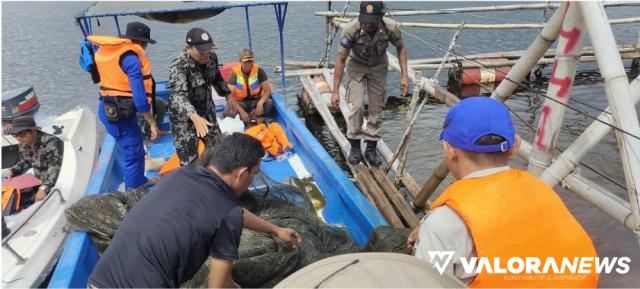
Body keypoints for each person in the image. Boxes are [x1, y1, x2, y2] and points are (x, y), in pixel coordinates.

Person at [406, 97, 599, 287]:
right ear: (514, 147)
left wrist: (430, 232)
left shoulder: (443, 223)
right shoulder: (541, 190)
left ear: (449, 150)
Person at [88, 133, 301, 288]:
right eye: (254, 174)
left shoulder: (181, 174)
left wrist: (276, 230)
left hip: (97, 281)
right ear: (242, 173)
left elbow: (234, 214)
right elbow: (218, 287)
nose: (253, 179)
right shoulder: (227, 213)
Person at [331, 1, 409, 167]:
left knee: (377, 105)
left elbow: (401, 48)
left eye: (372, 21)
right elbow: (341, 60)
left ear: (381, 17)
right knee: (357, 105)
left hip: (378, 65)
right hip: (356, 65)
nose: (367, 24)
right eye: (365, 20)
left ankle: (371, 147)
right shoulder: (351, 29)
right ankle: (355, 145)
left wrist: (404, 76)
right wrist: (335, 91)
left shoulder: (391, 28)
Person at [89, 21, 159, 190]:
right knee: (133, 153)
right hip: (120, 115)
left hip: (105, 109)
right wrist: (152, 122)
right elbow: (140, 100)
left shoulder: (107, 51)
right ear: (142, 43)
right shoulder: (132, 61)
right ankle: (134, 192)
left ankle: (139, 181)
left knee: (131, 146)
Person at [168, 27, 229, 166]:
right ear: (188, 47)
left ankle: (214, 180)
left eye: (209, 50)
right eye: (202, 51)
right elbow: (179, 95)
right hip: (184, 118)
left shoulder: (211, 57)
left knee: (218, 151)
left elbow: (217, 79)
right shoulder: (178, 65)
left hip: (206, 112)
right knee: (189, 161)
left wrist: (229, 97)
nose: (206, 54)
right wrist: (194, 117)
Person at [2, 115, 63, 202]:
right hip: (36, 180)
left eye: (22, 134)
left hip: (53, 182)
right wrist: (12, 170)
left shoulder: (51, 143)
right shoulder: (24, 143)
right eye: (15, 135)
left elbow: (54, 168)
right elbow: (26, 161)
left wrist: (44, 188)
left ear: (33, 131)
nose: (19, 138)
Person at [224, 48, 274, 124]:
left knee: (269, 103)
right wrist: (242, 112)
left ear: (253, 61)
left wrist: (260, 103)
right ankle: (252, 118)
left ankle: (253, 116)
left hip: (255, 101)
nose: (248, 64)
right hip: (240, 102)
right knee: (228, 111)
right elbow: (229, 95)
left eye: (250, 61)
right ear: (240, 61)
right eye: (245, 62)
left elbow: (267, 90)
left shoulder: (259, 71)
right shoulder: (234, 73)